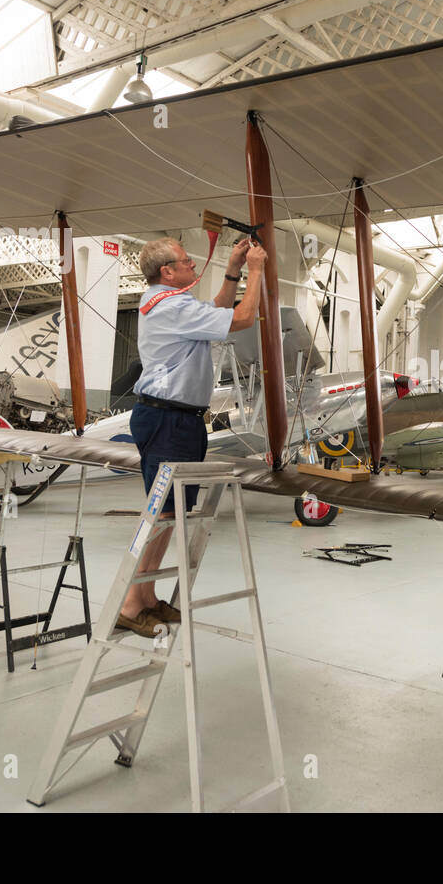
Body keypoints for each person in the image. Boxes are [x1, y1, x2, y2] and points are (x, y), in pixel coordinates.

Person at [118, 235, 265, 637]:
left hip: (176, 418)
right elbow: (242, 318)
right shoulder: (172, 305)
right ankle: (131, 603)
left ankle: (146, 597)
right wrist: (256, 271)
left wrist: (233, 269)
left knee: (169, 515)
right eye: (186, 262)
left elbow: (215, 310)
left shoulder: (166, 303)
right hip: (170, 420)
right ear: (167, 271)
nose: (192, 267)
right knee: (162, 514)